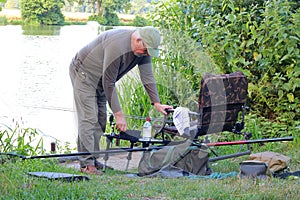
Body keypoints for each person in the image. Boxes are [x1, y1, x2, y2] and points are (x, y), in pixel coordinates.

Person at [69, 26, 173, 175]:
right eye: (145, 50)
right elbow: (109, 82)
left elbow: (147, 76)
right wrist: (119, 115)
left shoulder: (144, 48)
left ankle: (93, 159)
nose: (146, 54)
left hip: (101, 80)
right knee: (89, 119)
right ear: (138, 40)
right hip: (84, 74)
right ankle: (86, 165)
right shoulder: (117, 46)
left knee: (100, 120)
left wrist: (156, 103)